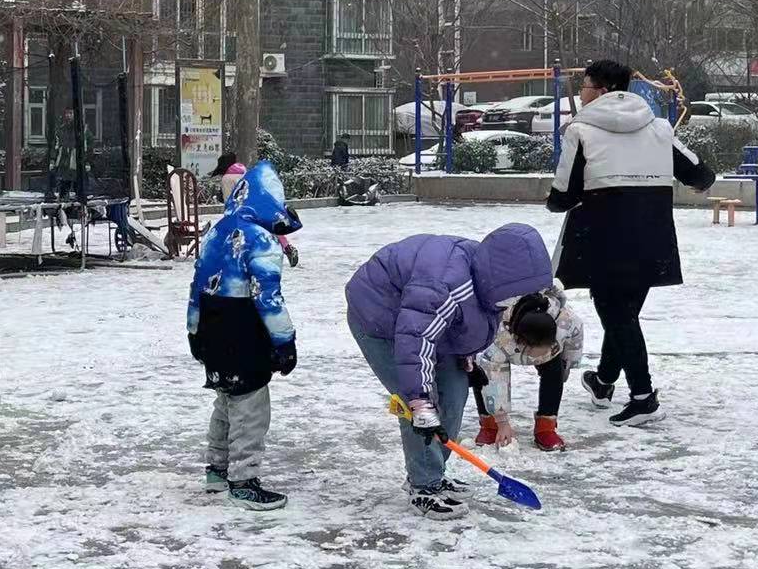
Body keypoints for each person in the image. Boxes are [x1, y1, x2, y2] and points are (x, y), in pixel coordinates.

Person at [547, 58, 717, 426]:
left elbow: (562, 194)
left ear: (602, 91)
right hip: (652, 237)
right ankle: (605, 381)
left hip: (604, 238)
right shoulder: (659, 128)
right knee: (625, 314)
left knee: (618, 314)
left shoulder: (581, 131)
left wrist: (559, 200)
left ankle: (643, 397)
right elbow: (702, 175)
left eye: (585, 87)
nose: (581, 94)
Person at [345, 225, 553, 519]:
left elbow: (468, 322)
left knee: (454, 393)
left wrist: (468, 357)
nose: (521, 301)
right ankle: (423, 486)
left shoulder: (493, 286)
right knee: (422, 406)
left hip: (424, 325)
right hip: (382, 319)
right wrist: (419, 402)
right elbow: (415, 343)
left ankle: (434, 472)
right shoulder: (445, 285)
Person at [187, 160, 301, 512]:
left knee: (225, 399)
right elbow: (268, 298)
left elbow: (195, 286)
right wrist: (285, 341)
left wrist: (194, 331)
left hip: (211, 323)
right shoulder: (261, 240)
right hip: (243, 329)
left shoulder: (216, 231)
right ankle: (244, 479)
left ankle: (217, 471)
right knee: (251, 407)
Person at [472, 283, 584, 453]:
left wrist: (567, 365)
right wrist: (502, 422)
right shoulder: (501, 338)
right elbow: (493, 380)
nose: (537, 359)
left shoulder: (567, 322)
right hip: (502, 352)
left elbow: (575, 341)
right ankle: (489, 424)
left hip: (549, 349)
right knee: (481, 375)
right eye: (535, 353)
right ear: (520, 340)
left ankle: (546, 426)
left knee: (555, 370)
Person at [211, 154, 299, 267]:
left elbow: (230, 200)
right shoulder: (245, 172)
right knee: (270, 228)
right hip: (260, 205)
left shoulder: (227, 178)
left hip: (243, 211)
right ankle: (287, 248)